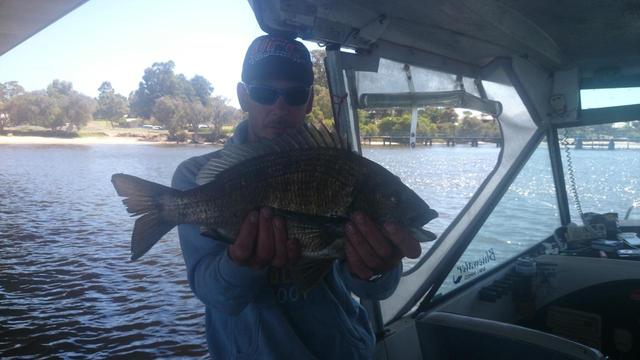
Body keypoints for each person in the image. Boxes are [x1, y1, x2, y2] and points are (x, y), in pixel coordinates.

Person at [172, 34, 422, 359]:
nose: (279, 107)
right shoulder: (197, 180)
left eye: (294, 94)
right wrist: (241, 264)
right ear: (243, 97)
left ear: (307, 102)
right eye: (264, 93)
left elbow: (373, 289)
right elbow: (216, 295)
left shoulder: (338, 167)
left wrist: (376, 269)